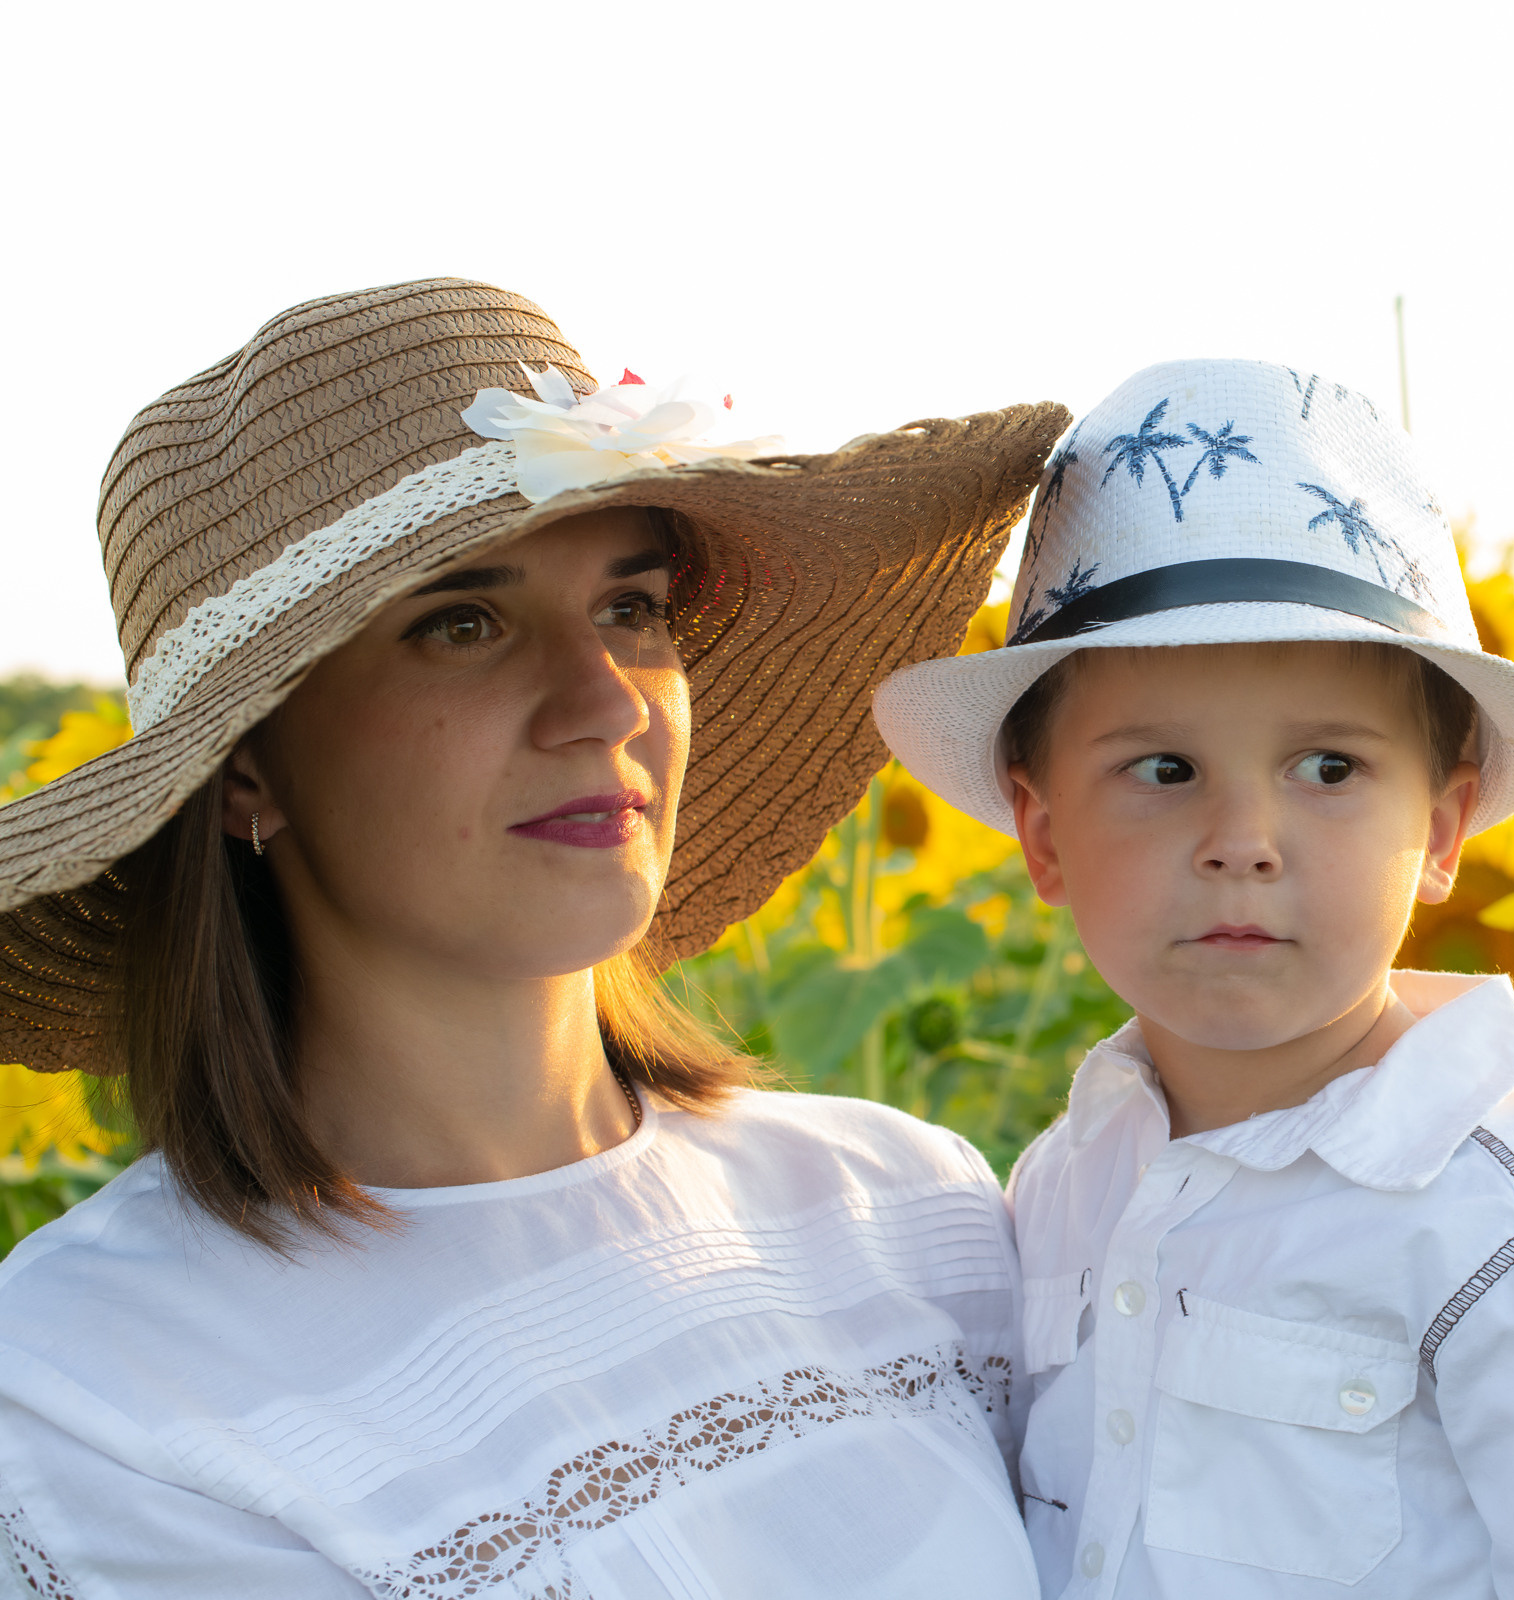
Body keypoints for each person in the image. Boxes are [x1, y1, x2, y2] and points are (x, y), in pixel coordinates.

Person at [0, 279, 1070, 1597]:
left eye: (632, 608)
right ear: (244, 774)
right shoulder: (92, 1396)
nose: (603, 704)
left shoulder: (909, 1208)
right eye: (463, 624)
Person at [875, 359, 1514, 1598]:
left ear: (1446, 830)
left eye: (1330, 769)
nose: (1244, 838)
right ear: (1041, 835)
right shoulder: (1066, 1183)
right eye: (1164, 769)